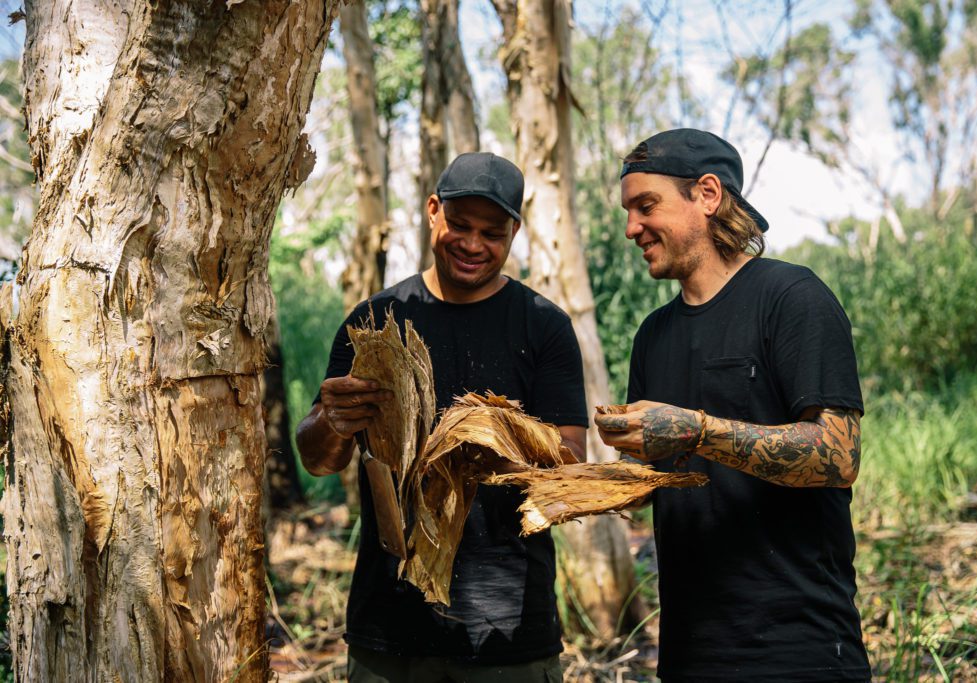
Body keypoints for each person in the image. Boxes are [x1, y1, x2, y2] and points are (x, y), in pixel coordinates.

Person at [296, 152, 588, 682]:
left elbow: (569, 465)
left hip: (510, 634)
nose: (474, 244)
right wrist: (333, 422)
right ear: (434, 211)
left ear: (514, 233)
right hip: (390, 631)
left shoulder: (544, 327)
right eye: (460, 225)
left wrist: (493, 436)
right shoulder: (375, 321)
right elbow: (317, 458)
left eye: (492, 233)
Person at [594, 128, 871, 682]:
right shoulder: (653, 335)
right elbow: (661, 479)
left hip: (798, 649)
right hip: (690, 649)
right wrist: (573, 480)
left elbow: (838, 456)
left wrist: (697, 431)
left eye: (646, 206)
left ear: (708, 195)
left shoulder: (792, 298)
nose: (631, 229)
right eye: (628, 211)